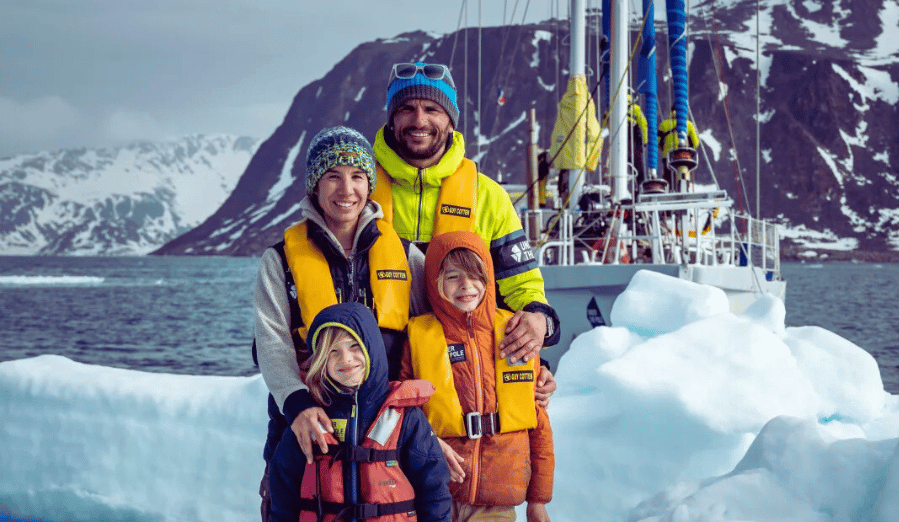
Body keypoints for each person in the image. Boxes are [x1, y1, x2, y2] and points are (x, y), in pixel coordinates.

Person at [254, 126, 427, 519]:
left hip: (389, 432)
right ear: (314, 186)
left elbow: (440, 328)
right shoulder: (278, 261)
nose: (346, 189)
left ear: (369, 184)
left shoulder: (404, 255)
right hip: (305, 430)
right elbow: (271, 341)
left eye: (357, 176)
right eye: (332, 176)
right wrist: (296, 406)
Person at [369, 61, 561, 373]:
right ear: (392, 118)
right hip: (382, 366)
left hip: (465, 369)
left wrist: (538, 318)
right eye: (406, 108)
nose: (419, 120)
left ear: (450, 120)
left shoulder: (488, 196)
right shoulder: (358, 192)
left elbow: (521, 287)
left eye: (432, 109)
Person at [399, 230, 554, 522]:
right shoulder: (418, 335)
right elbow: (406, 414)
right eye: (453, 277)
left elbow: (539, 425)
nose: (466, 286)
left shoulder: (515, 332)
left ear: (488, 278)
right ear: (435, 282)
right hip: (435, 495)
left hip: (497, 500)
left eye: (475, 276)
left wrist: (538, 500)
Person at [267, 302, 453, 522]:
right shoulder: (309, 420)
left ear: (371, 347)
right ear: (320, 361)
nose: (346, 359)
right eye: (332, 351)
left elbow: (434, 491)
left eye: (354, 346)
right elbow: (283, 492)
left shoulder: (406, 417)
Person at [657, 107, 699, 190]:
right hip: (684, 157)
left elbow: (658, 142)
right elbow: (696, 142)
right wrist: (689, 151)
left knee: (669, 178)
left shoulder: (664, 125)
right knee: (683, 175)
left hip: (668, 157)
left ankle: (670, 191)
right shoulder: (688, 124)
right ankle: (684, 190)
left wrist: (664, 151)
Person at [627, 92, 648, 186]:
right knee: (638, 167)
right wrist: (644, 142)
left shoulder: (614, 107)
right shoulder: (635, 108)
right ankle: (639, 186)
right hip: (633, 141)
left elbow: (605, 121)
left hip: (618, 142)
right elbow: (643, 125)